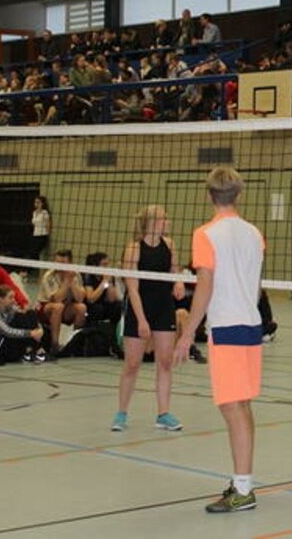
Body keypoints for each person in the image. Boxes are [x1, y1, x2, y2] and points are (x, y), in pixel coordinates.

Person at [174, 166, 266, 513]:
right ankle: (243, 482)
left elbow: (206, 284)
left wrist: (187, 334)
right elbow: (256, 285)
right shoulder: (254, 233)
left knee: (232, 408)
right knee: (241, 406)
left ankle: (243, 489)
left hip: (227, 327)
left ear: (208, 194)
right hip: (251, 324)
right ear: (238, 194)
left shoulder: (205, 234)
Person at [112, 205, 185, 434]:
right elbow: (132, 288)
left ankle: (163, 414)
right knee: (132, 364)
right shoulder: (134, 249)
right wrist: (142, 321)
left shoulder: (169, 244)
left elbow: (175, 270)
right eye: (165, 218)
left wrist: (179, 281)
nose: (168, 221)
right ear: (154, 222)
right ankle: (121, 413)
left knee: (164, 362)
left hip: (164, 307)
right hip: (139, 308)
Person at [37, 249, 87, 355]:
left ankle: (74, 343)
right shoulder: (49, 276)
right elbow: (56, 299)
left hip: (66, 307)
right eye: (57, 262)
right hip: (46, 308)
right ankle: (54, 344)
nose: (59, 266)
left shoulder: (76, 274)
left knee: (81, 308)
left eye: (63, 263)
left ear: (70, 263)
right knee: (58, 307)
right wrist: (67, 281)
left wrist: (72, 281)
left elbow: (80, 299)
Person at [0, 286, 46, 364]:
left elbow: (24, 317)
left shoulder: (9, 309)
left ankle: (35, 350)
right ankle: (36, 350)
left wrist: (39, 328)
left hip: (5, 341)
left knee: (30, 314)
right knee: (21, 321)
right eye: (10, 298)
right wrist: (31, 333)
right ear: (0, 299)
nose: (13, 301)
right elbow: (6, 331)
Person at [30, 195, 51, 260]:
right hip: (35, 235)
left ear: (42, 203)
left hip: (42, 235)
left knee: (35, 252)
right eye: (35, 202)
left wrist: (47, 235)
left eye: (38, 202)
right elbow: (34, 224)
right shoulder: (34, 212)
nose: (36, 204)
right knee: (32, 252)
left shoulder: (44, 212)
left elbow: (48, 224)